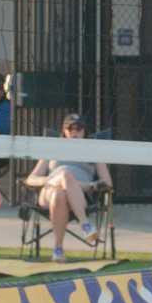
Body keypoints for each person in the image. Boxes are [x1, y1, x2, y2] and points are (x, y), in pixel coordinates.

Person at [26, 113, 108, 263]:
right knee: (64, 174)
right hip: (48, 192)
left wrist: (75, 186)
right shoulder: (53, 148)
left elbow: (107, 182)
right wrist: (51, 179)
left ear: (84, 131)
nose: (74, 132)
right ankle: (85, 224)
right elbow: (31, 179)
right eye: (70, 128)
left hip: (79, 197)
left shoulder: (94, 150)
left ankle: (58, 249)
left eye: (79, 129)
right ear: (64, 131)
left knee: (61, 194)